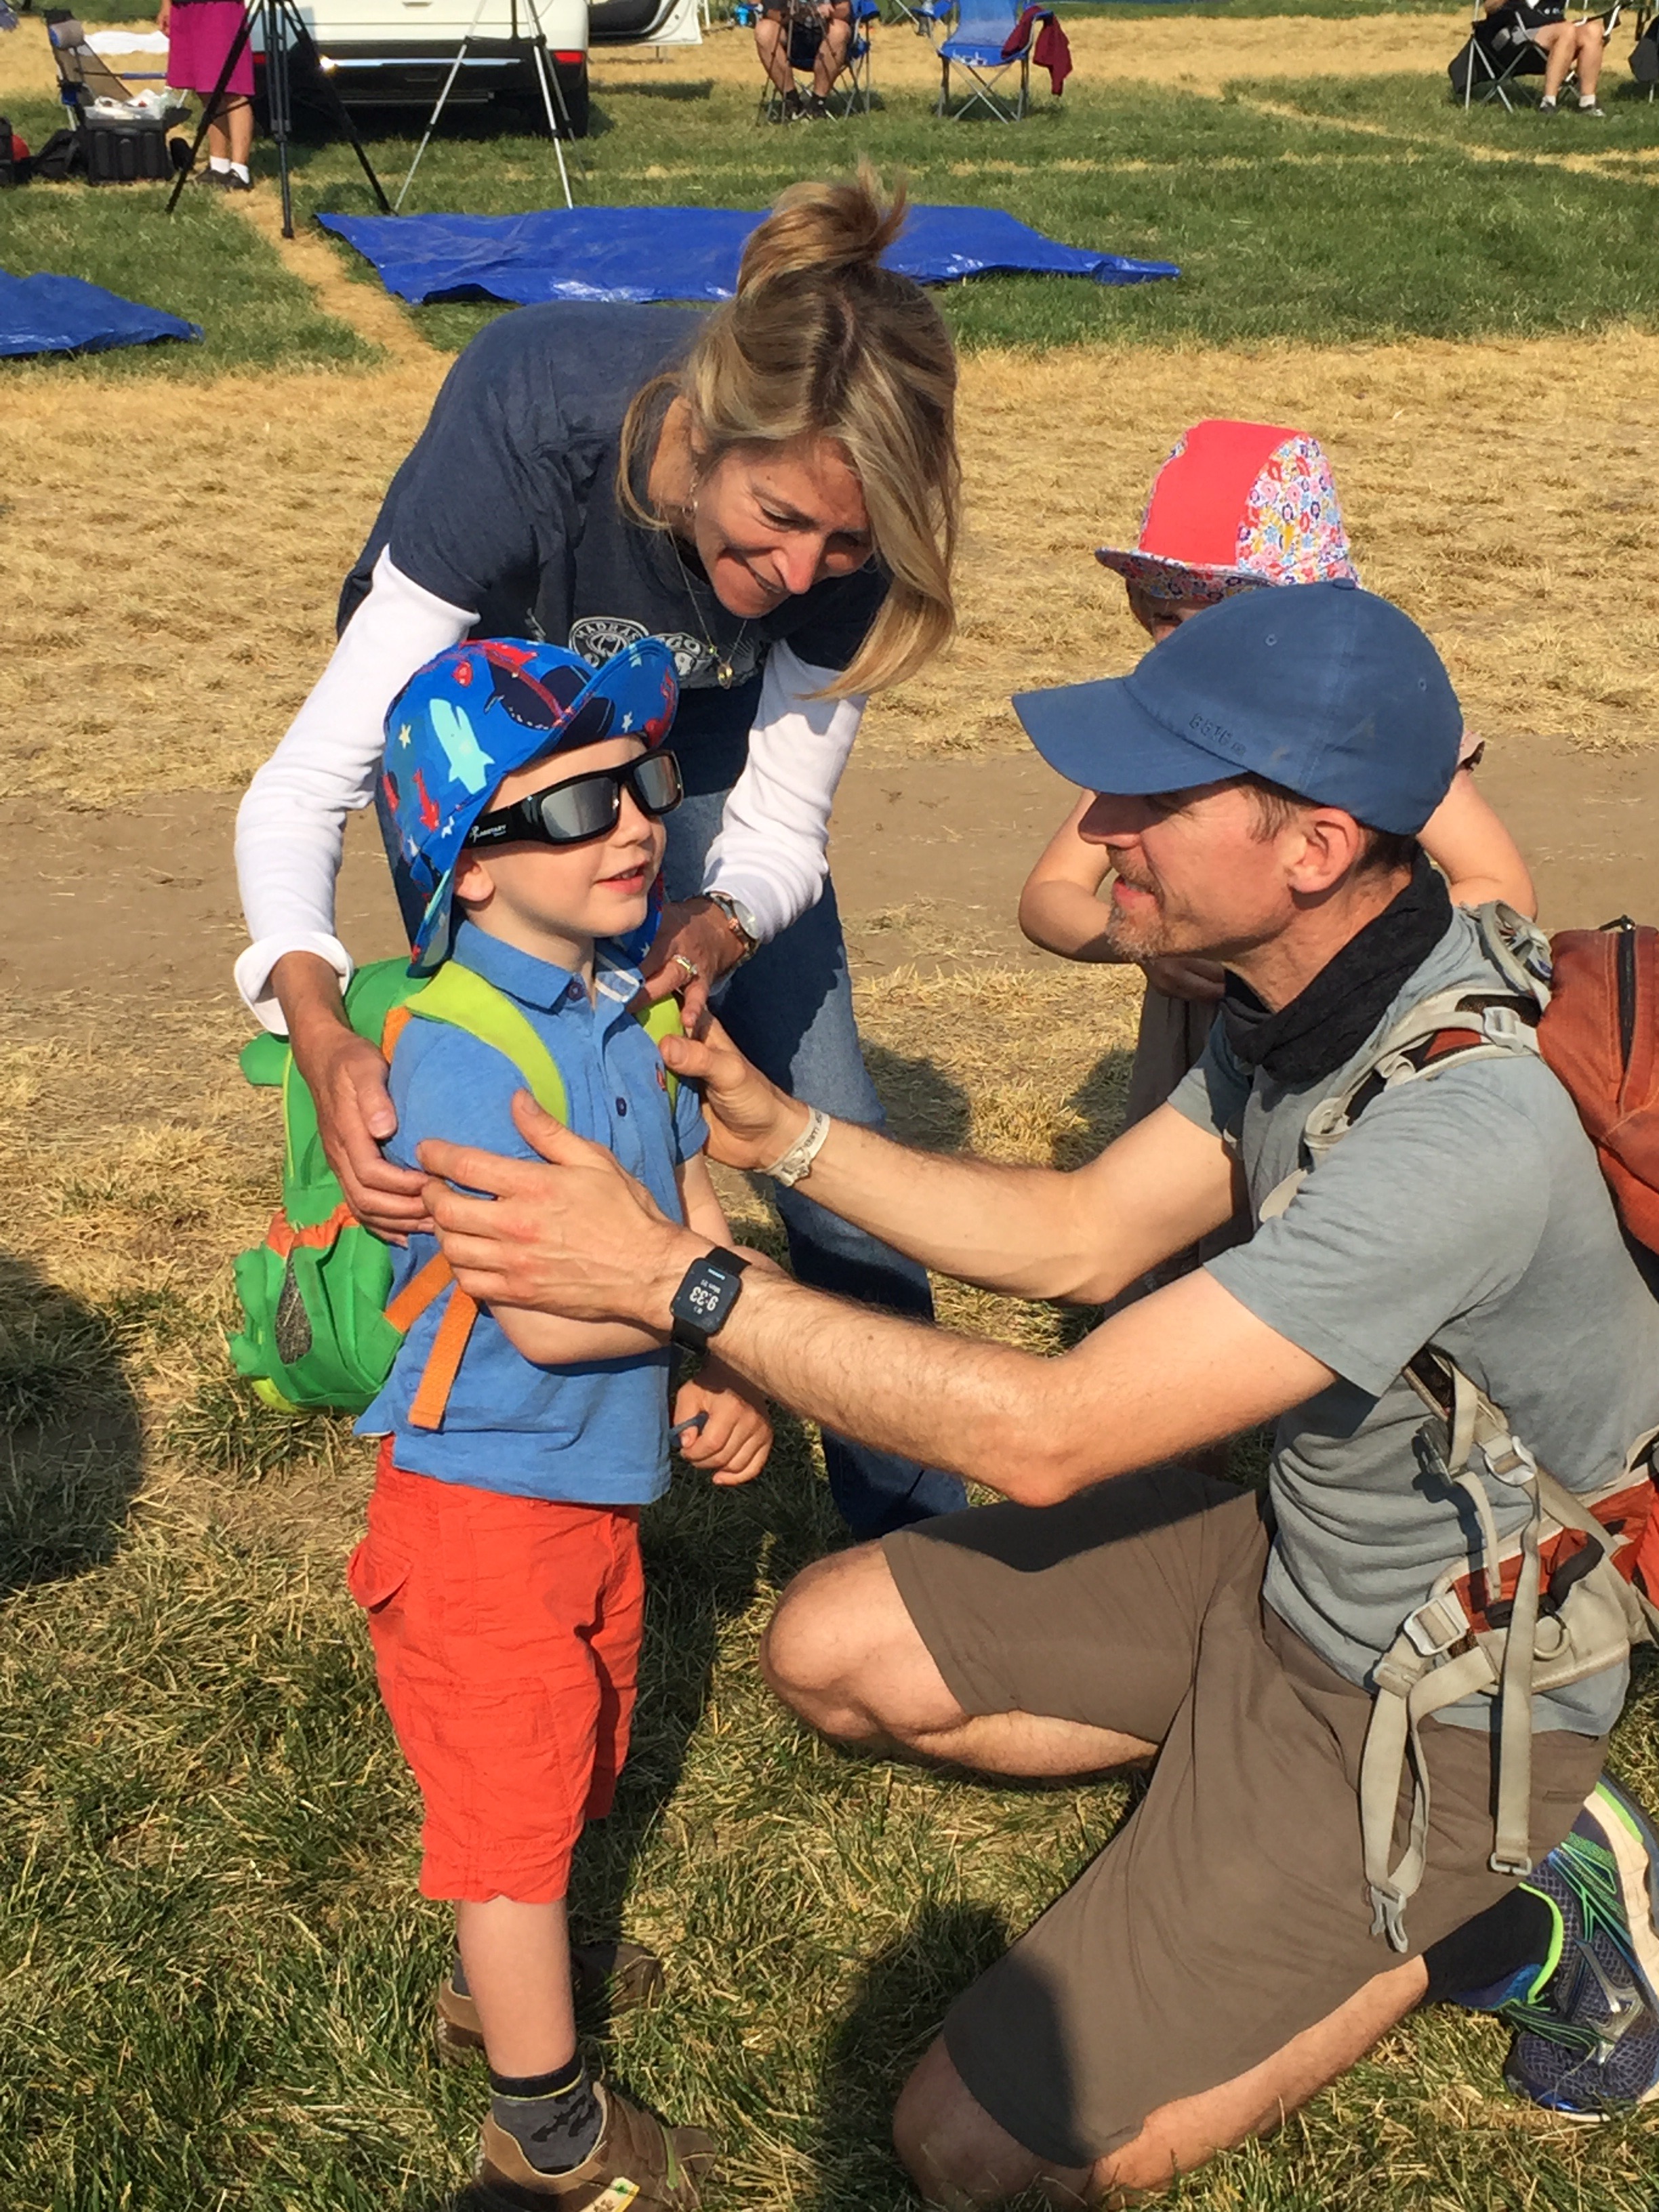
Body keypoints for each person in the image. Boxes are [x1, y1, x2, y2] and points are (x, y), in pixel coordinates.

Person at [412, 583, 1659, 2200]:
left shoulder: (1454, 1134)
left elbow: (1044, 1434)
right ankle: (1254, 1798)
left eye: (1153, 794)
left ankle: (1511, 1905)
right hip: (1297, 1563)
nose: (1099, 828)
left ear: (1312, 846)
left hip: (1449, 1682)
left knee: (966, 2148)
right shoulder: (1310, 1001)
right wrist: (783, 1134)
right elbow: (1080, 1234)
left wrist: (676, 1283)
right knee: (826, 1650)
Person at [232, 168, 966, 1544]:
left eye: (843, 545)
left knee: (830, 1122)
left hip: (695, 740)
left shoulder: (851, 534)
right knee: (530, 1122)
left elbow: (778, 832)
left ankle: (917, 1537)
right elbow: (305, 787)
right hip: (492, 757)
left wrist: (719, 923)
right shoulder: (532, 419)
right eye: (776, 522)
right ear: (707, 430)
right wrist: (320, 1028)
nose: (802, 573)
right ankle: (533, 1502)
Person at [351, 632, 770, 2210]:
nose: (636, 823)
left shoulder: (623, 1004)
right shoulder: (463, 1051)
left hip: (585, 1494)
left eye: (644, 784)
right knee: (514, 1814)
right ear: (464, 864)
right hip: (481, 1512)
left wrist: (725, 1361)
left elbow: (691, 1203)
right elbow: (539, 1308)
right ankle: (547, 2140)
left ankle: (496, 1988)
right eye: (580, 805)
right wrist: (712, 1324)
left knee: (568, 1758)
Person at [1019, 419, 1535, 1139]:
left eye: (1226, 619)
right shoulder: (1156, 729)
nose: (1186, 645)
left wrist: (1341, 955)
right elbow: (1048, 896)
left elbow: (1501, 885)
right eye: (1166, 615)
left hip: (1346, 1036)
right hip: (1205, 1038)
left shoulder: (1365, 728)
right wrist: (1148, 945)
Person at [158, 0, 255, 188]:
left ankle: (240, 170)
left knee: (232, 89)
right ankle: (219, 165)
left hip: (219, 7)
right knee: (206, 89)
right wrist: (166, 5)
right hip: (186, 8)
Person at [1483, 0, 1606, 114]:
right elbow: (1489, 6)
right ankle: (1548, 102)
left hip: (1556, 30)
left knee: (1593, 31)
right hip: (1518, 34)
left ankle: (1588, 102)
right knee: (1567, 31)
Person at [755, 0, 854, 121]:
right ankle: (792, 102)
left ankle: (817, 105)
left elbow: (844, 10)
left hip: (826, 35)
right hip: (792, 35)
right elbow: (772, 13)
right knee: (764, 30)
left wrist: (830, 12)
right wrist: (795, 13)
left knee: (839, 30)